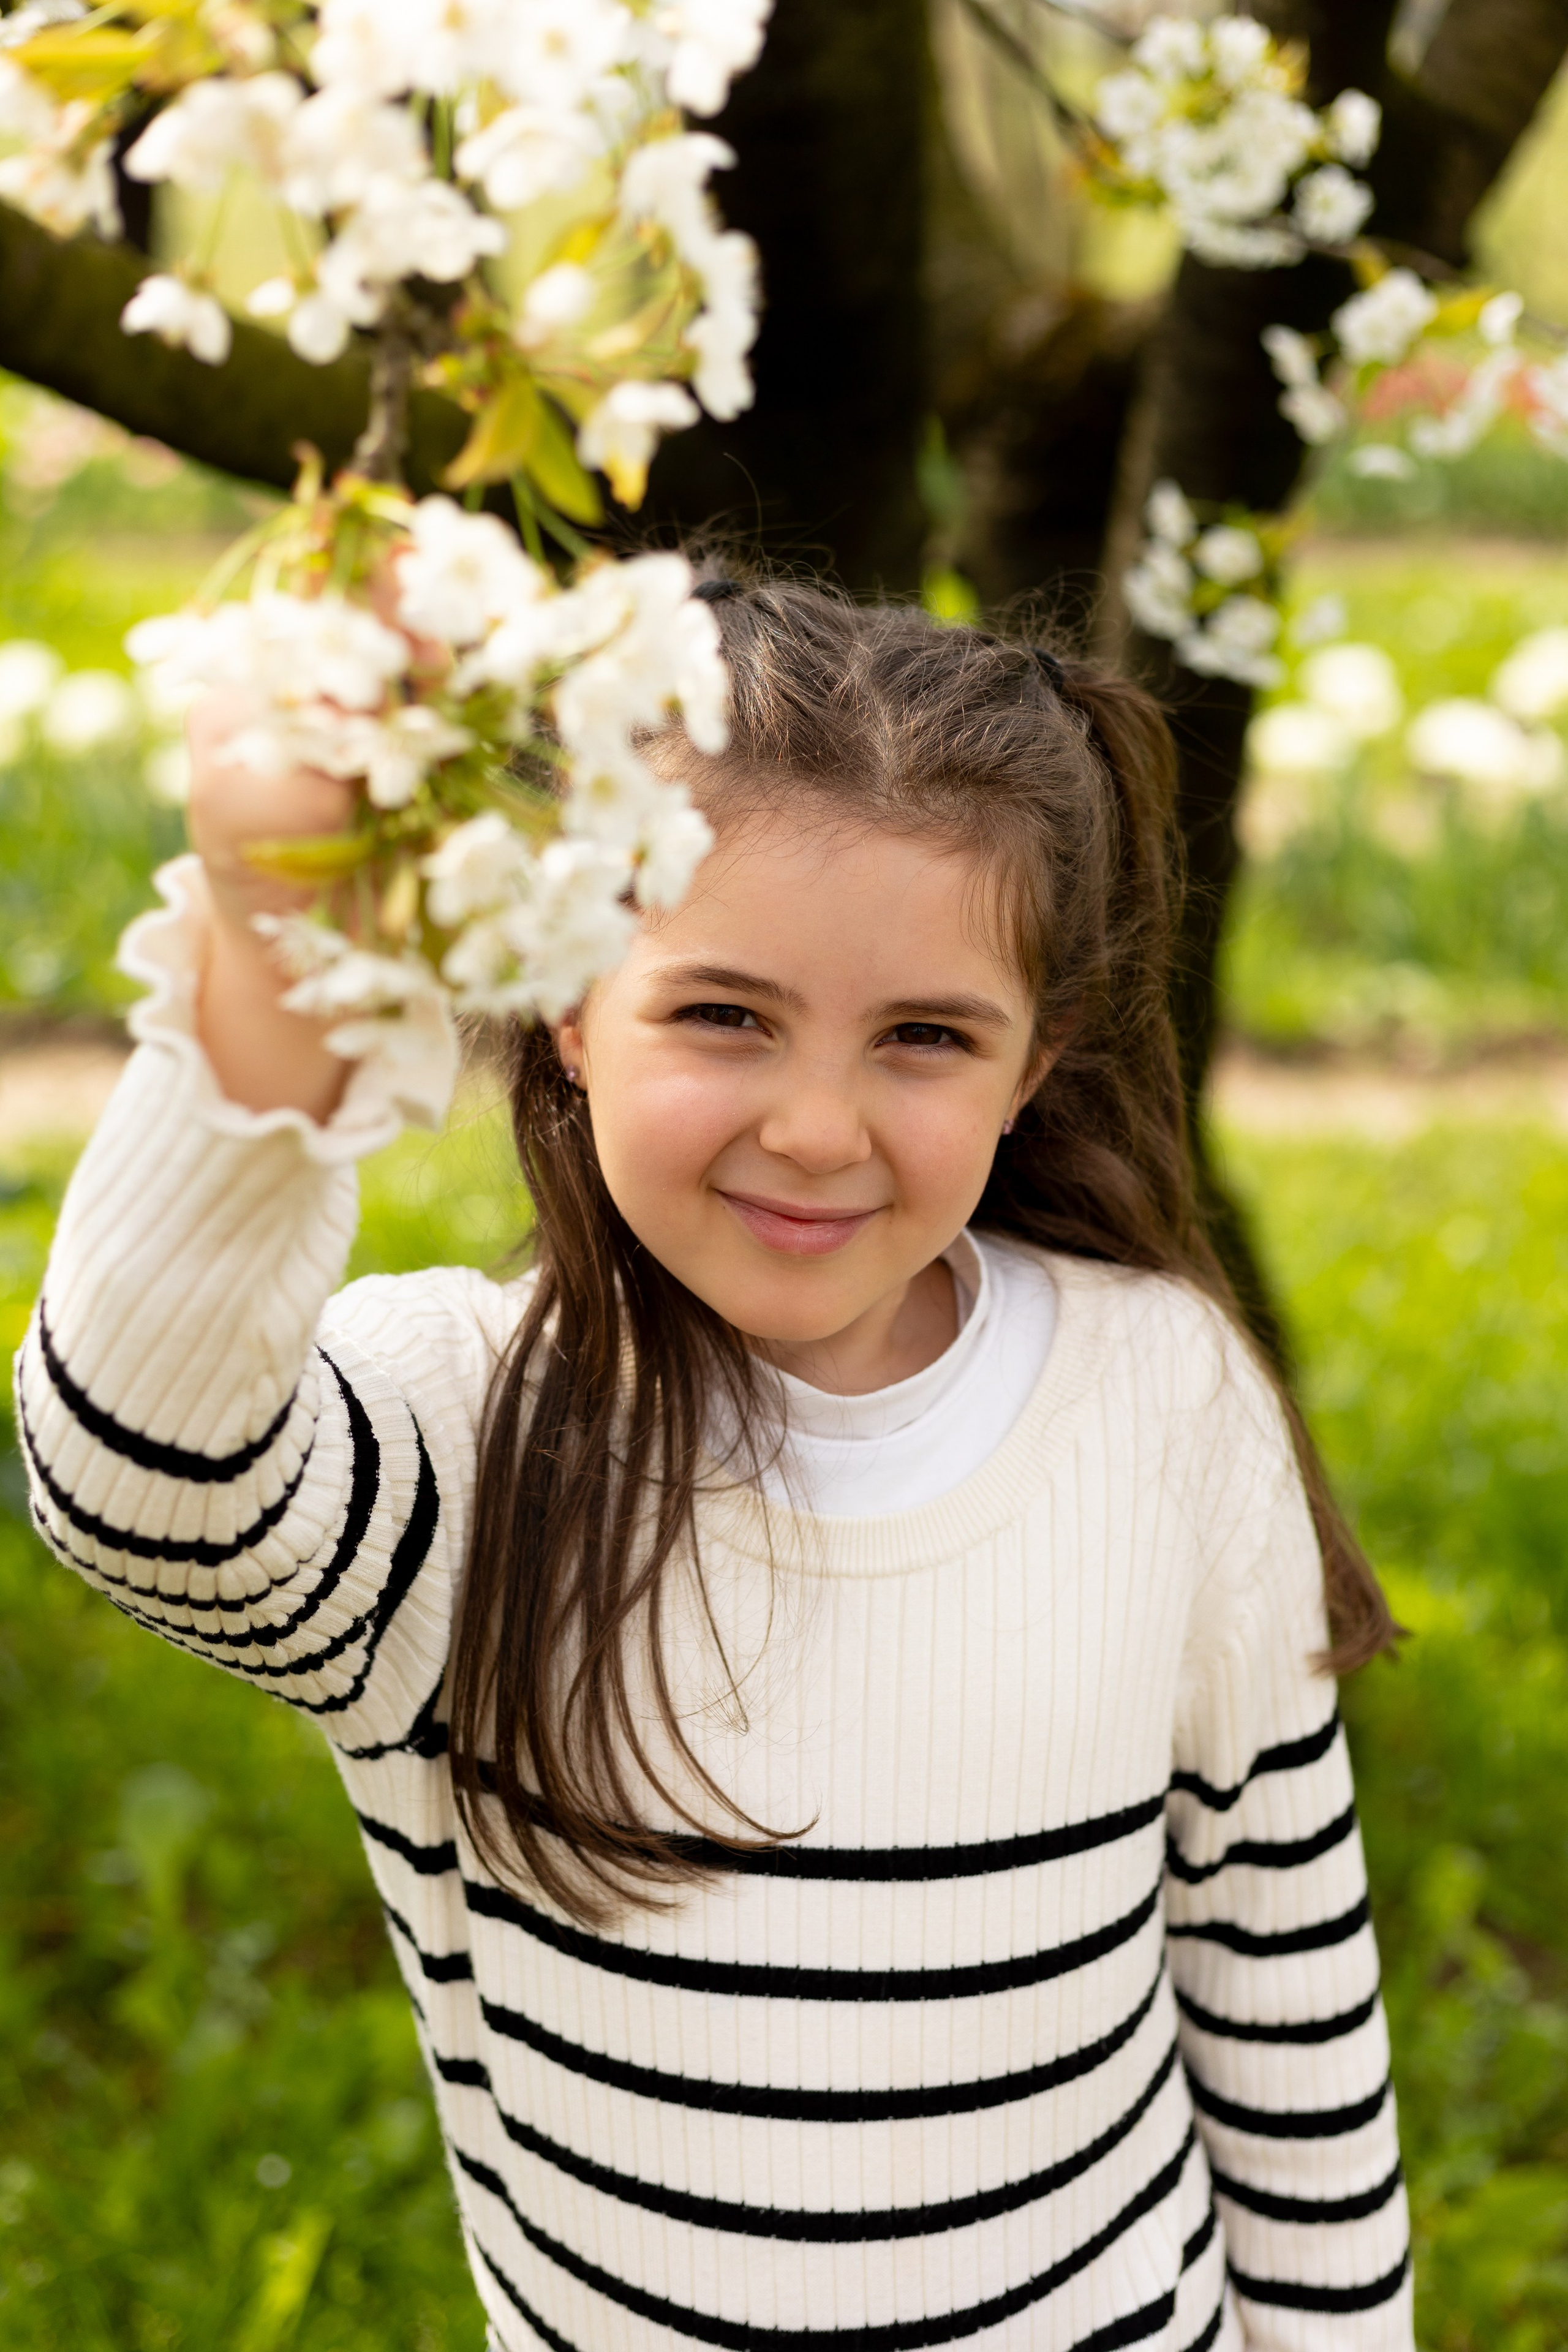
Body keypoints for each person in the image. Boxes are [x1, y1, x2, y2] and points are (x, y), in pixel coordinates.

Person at [16, 578, 1414, 2351]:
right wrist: (285, 948)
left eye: (924, 1037)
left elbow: (1284, 2002)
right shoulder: (458, 1427)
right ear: (567, 1005)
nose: (817, 1127)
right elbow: (138, 1479)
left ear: (1031, 1063)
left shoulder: (1164, 1396)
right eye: (724, 1015)